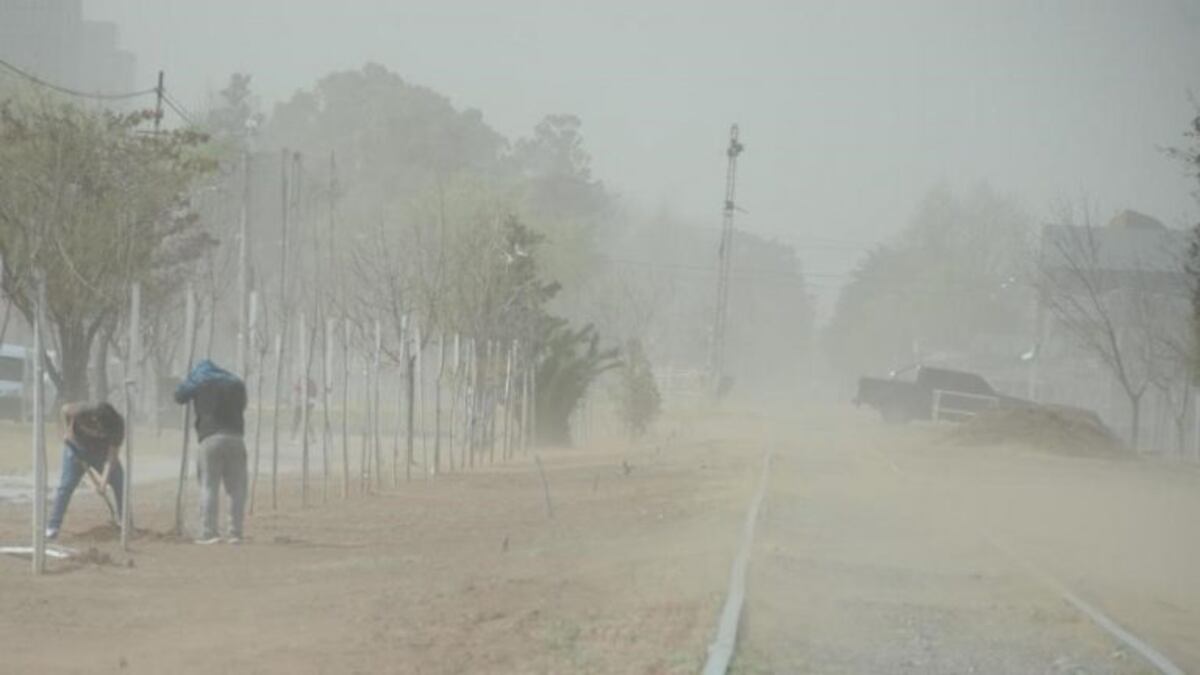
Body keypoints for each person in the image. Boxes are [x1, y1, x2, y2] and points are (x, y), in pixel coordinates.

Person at [175, 359, 248, 544]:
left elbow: (179, 396)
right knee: (236, 489)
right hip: (236, 438)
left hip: (210, 438)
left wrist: (190, 382)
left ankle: (209, 532)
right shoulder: (236, 383)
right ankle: (235, 533)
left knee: (209, 486)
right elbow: (243, 405)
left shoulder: (200, 380)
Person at [47, 402, 126, 540]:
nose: (99, 433)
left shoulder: (117, 425)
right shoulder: (82, 411)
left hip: (102, 454)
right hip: (76, 448)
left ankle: (125, 522)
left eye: (103, 431)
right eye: (99, 429)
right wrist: (67, 433)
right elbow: (63, 409)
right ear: (94, 419)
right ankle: (53, 527)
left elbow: (111, 458)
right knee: (66, 486)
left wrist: (102, 483)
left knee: (120, 482)